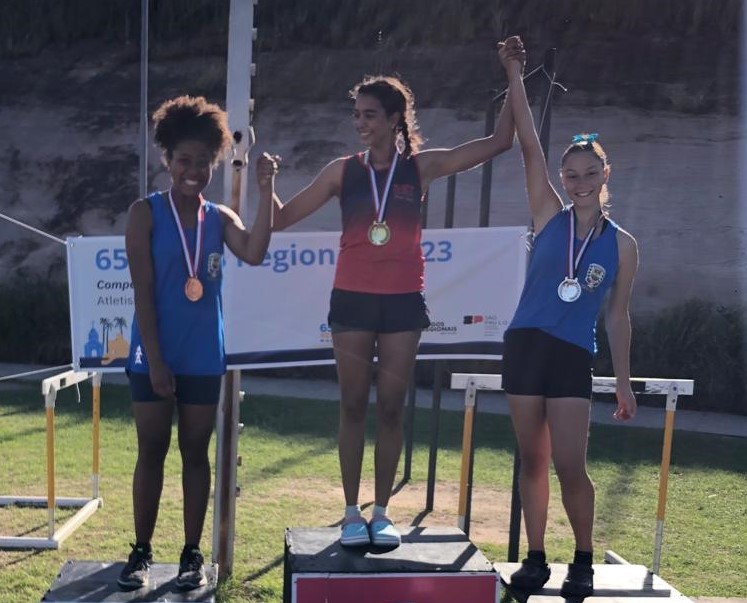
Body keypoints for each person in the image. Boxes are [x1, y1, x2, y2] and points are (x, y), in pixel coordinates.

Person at [269, 39, 524, 548]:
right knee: (351, 407)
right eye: (356, 114)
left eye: (368, 114)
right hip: (352, 301)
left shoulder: (420, 168)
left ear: (392, 119)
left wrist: (514, 73)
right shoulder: (342, 171)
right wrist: (261, 185)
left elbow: (499, 142)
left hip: (404, 302)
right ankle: (348, 513)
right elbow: (279, 219)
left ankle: (381, 512)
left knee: (390, 407)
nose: (359, 122)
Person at [118, 95, 277, 591]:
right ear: (166, 160)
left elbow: (253, 252)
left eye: (202, 162)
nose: (193, 171)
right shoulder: (143, 214)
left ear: (213, 163)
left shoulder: (219, 216)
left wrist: (267, 190)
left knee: (195, 453)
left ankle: (192, 556)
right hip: (154, 354)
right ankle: (141, 553)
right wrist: (158, 360)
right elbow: (143, 292)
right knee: (152, 450)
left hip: (204, 355)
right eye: (183, 161)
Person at [499, 37, 639, 598]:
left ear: (606, 175)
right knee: (530, 459)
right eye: (571, 175)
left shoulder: (623, 246)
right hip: (525, 344)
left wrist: (624, 381)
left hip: (571, 355)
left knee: (568, 464)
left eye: (589, 173)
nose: (578, 183)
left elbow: (619, 317)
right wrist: (514, 72)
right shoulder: (547, 214)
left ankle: (582, 558)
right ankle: (535, 557)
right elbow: (528, 145)